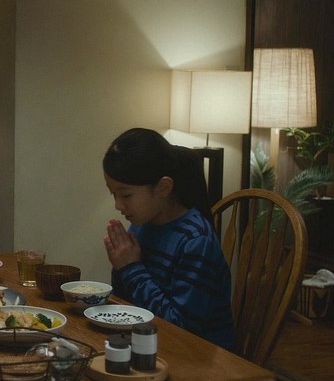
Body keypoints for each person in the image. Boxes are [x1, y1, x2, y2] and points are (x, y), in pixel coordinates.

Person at [101, 128, 235, 350]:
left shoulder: (195, 240)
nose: (118, 205)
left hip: (198, 355)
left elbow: (181, 328)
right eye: (113, 194)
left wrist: (130, 267)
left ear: (163, 187)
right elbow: (128, 303)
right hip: (151, 343)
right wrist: (120, 266)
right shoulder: (142, 225)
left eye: (126, 195)